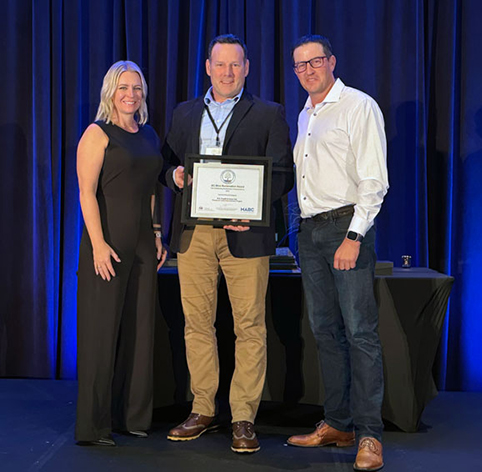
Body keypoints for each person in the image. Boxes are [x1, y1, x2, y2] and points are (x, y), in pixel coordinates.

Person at [160, 34, 294, 453]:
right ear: (207, 67)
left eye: (235, 65)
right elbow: (166, 164)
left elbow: (284, 173)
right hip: (194, 232)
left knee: (249, 327)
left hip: (245, 234)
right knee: (197, 323)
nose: (227, 72)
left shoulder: (269, 113)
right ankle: (202, 408)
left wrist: (250, 208)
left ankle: (243, 418)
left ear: (247, 68)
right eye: (220, 64)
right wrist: (175, 178)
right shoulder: (184, 113)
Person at [287, 35, 389, 472]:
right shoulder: (306, 114)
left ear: (331, 61)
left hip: (345, 230)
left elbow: (374, 180)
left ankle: (369, 436)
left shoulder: (358, 106)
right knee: (326, 333)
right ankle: (338, 424)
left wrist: (354, 235)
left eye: (314, 62)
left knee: (360, 334)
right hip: (310, 234)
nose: (307, 70)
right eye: (299, 66)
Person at [75, 60, 166, 446]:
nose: (131, 94)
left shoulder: (147, 135)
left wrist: (157, 233)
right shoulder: (97, 134)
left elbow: (149, 190)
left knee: (140, 331)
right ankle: (94, 426)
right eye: (124, 87)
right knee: (101, 332)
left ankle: (132, 416)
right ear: (110, 91)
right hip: (107, 243)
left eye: (137, 88)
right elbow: (86, 192)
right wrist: (98, 244)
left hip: (144, 244)